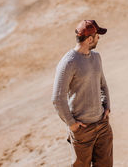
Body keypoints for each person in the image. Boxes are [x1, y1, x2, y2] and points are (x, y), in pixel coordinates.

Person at [52, 20, 113, 167]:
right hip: (83, 131)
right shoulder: (69, 62)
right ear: (90, 39)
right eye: (97, 35)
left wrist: (107, 107)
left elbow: (102, 84)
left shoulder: (96, 57)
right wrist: (72, 124)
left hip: (102, 126)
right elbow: (58, 98)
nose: (99, 38)